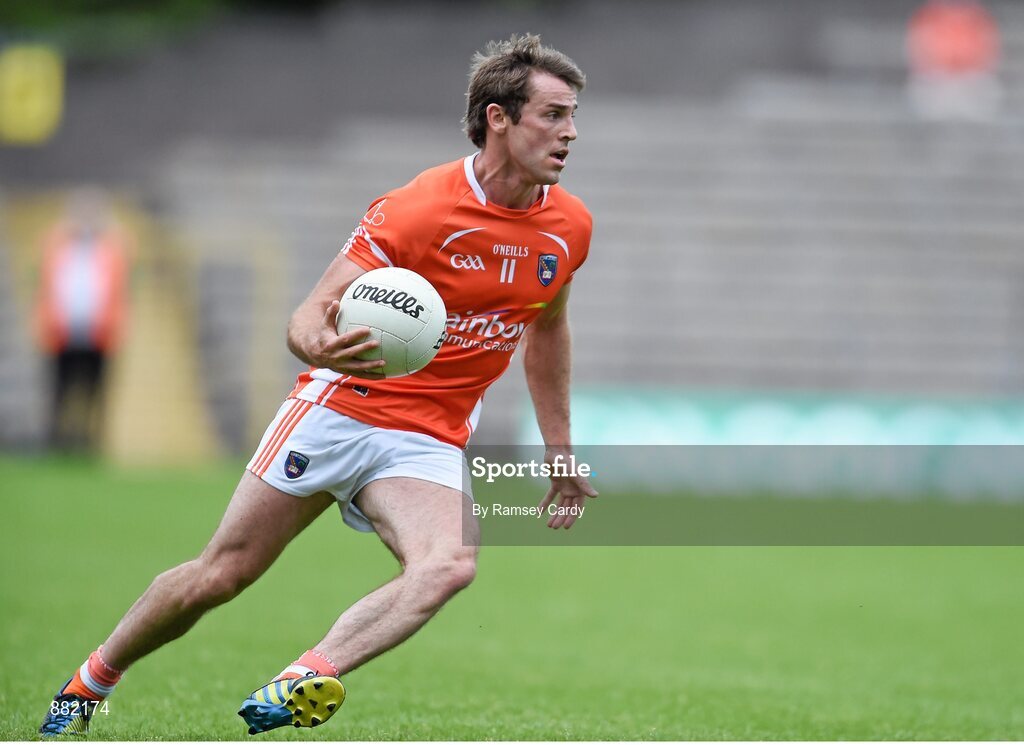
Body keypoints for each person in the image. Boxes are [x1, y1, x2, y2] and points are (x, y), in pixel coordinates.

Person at [40, 33, 598, 737]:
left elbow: (547, 331)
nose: (570, 132)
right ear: (498, 117)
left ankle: (307, 674)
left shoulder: (568, 226)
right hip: (340, 408)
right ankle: (89, 682)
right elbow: (310, 312)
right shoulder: (418, 208)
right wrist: (323, 344)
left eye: (574, 115)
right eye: (553, 114)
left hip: (427, 436)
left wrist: (559, 448)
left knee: (449, 564)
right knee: (222, 573)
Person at [34, 189, 130, 453]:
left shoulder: (110, 248)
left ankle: (89, 444)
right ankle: (57, 442)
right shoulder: (58, 245)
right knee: (60, 390)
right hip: (61, 331)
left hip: (99, 333)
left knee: (94, 392)